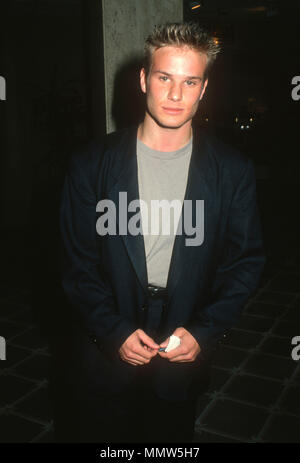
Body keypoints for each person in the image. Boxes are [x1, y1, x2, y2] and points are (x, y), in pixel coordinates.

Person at [55, 22, 265, 443]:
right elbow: (75, 261)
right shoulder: (90, 164)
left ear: (203, 89)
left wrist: (205, 331)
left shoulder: (233, 172)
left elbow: (246, 263)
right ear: (142, 79)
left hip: (184, 342)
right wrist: (110, 329)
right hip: (105, 346)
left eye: (190, 81)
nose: (175, 95)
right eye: (164, 77)